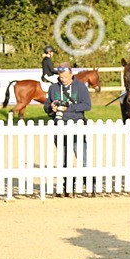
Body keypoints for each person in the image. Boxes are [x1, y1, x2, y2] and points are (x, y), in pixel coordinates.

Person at [44, 63, 92, 194]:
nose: (63, 79)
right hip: (59, 124)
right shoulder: (53, 88)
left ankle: (90, 185)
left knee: (82, 155)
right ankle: (66, 186)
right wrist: (51, 107)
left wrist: (69, 108)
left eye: (65, 77)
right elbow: (46, 105)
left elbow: (87, 105)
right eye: (61, 77)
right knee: (63, 157)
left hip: (77, 123)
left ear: (71, 74)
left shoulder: (81, 87)